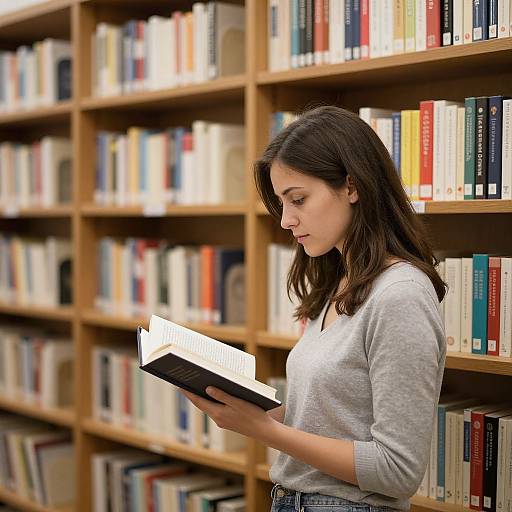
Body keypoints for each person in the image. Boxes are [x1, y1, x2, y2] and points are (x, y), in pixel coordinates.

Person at [181, 105, 447, 512]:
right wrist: (252, 408)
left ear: (353, 187)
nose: (286, 220)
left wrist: (265, 431)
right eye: (281, 203)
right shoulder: (338, 283)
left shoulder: (401, 295)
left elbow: (398, 470)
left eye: (299, 199)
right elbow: (335, 423)